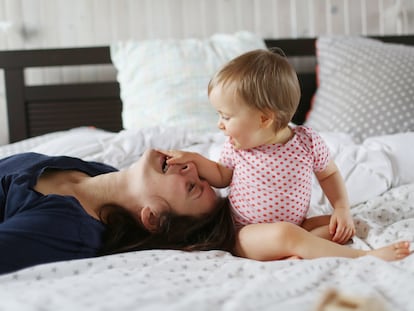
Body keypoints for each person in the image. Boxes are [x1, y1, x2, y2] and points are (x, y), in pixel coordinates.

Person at [160, 48, 355, 245]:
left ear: (264, 118)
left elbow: (328, 174)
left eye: (226, 116)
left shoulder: (307, 143)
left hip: (297, 225)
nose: (220, 124)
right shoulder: (236, 148)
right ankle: (297, 246)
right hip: (247, 233)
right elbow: (220, 176)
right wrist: (194, 159)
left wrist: (341, 209)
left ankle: (296, 245)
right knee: (279, 237)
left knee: (342, 226)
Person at [0, 151, 235, 275]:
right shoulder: (96, 173)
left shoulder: (67, 227)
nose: (191, 166)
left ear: (152, 218)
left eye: (191, 187)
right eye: (202, 177)